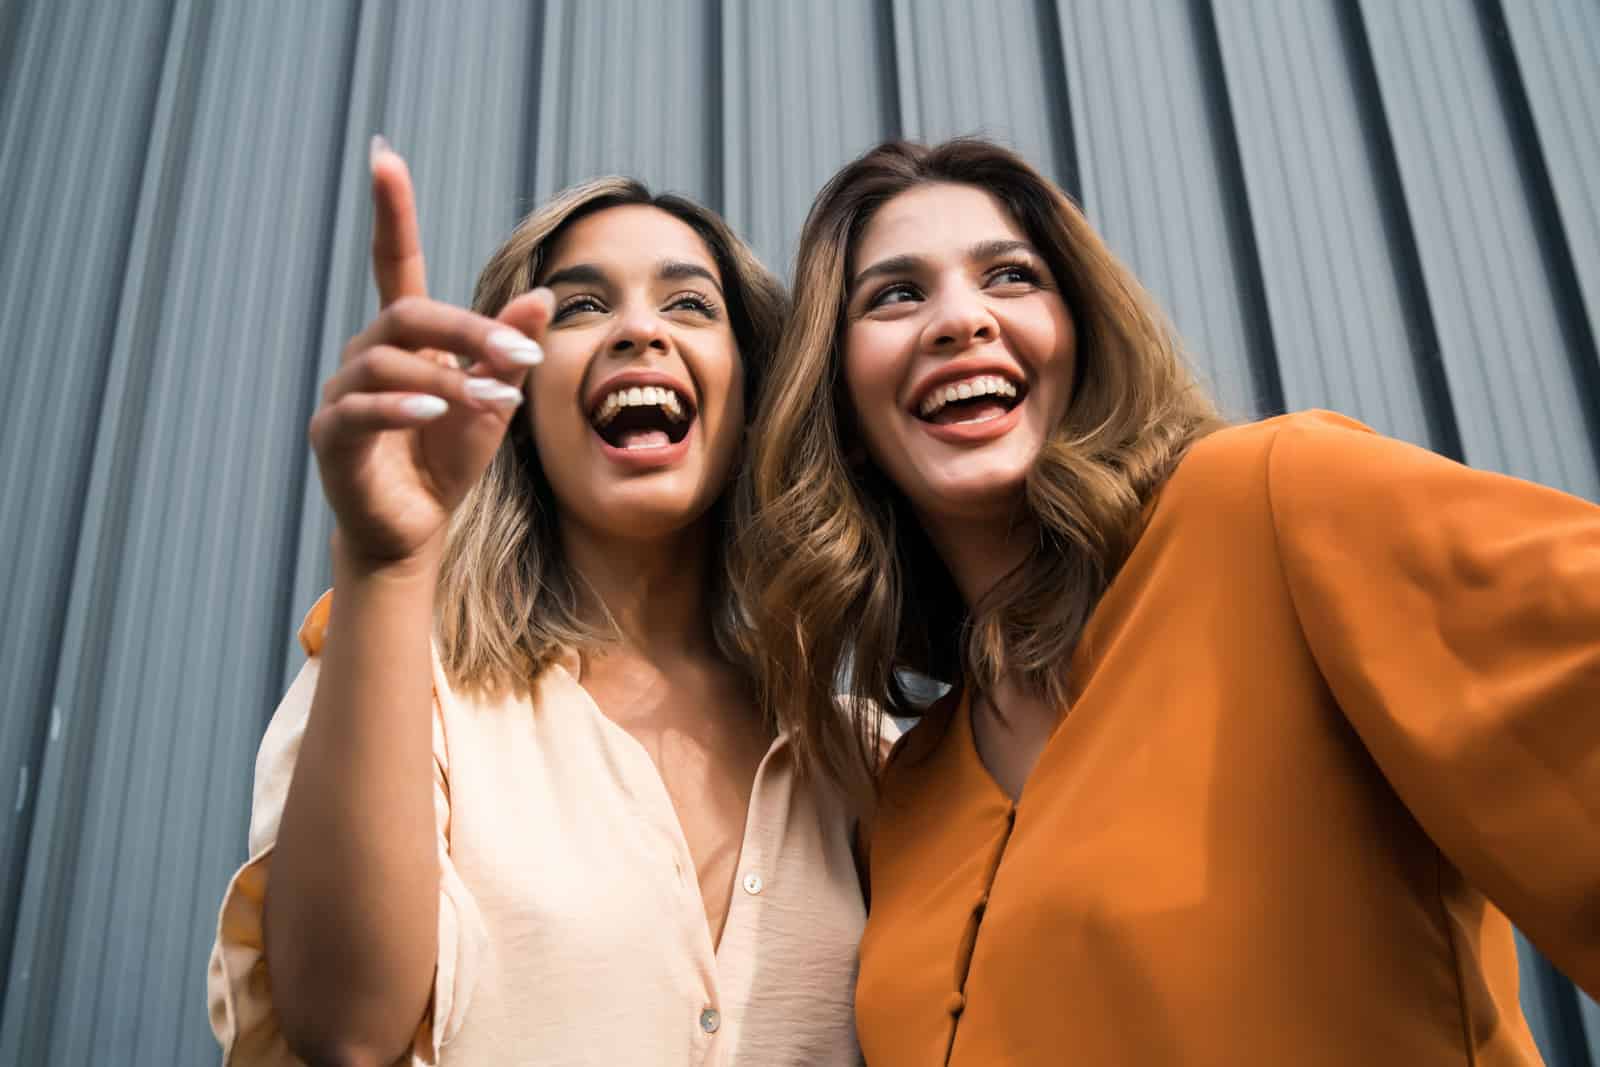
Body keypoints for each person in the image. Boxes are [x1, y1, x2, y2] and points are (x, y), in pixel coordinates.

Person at [739, 136, 1600, 1065]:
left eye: (1012, 277)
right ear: (845, 415)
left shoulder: (1277, 497)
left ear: (1084, 338)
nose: (960, 319)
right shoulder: (911, 788)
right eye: (896, 294)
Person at [207, 137, 866, 1066]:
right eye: (583, 306)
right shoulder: (408, 694)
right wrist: (386, 566)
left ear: (754, 394)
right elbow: (342, 1027)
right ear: (515, 400)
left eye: (688, 303)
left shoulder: (865, 758)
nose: (640, 331)